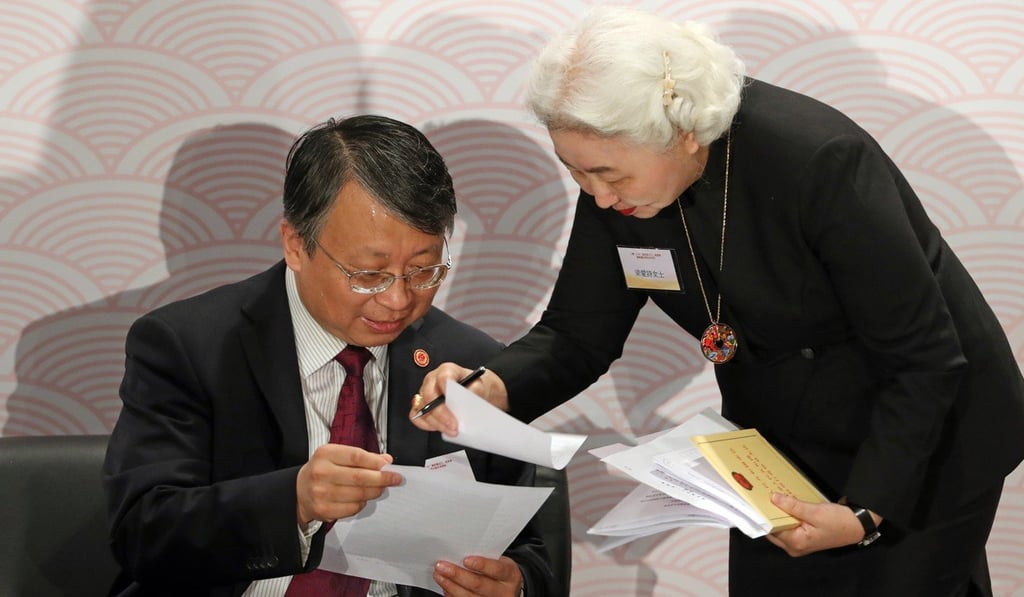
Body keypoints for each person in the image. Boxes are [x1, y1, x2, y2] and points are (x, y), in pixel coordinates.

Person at [410, 6, 1024, 596]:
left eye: (610, 175)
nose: (596, 198)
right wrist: (493, 388)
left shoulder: (818, 160)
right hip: (783, 437)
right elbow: (577, 333)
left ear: (680, 131)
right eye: (576, 173)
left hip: (929, 428)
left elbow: (925, 359)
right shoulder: (617, 188)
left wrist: (865, 511)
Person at [103, 114, 558, 597]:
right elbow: (143, 535)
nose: (398, 300)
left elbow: (528, 551)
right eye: (368, 274)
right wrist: (294, 501)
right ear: (296, 244)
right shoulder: (190, 345)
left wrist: (515, 585)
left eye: (424, 270)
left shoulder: (469, 362)